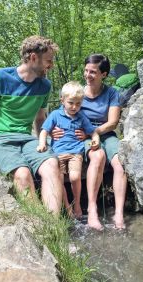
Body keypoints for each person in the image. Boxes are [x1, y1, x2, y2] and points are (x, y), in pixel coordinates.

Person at [0, 35, 63, 214]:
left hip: (27, 139)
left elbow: (40, 119)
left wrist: (45, 140)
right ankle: (42, 227)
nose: (51, 65)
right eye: (48, 61)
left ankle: (55, 226)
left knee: (52, 165)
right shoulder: (0, 77)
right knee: (22, 174)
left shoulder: (44, 85)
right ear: (34, 58)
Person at [53, 54, 128, 230]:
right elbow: (61, 114)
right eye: (86, 70)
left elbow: (113, 122)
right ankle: (92, 209)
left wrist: (94, 131)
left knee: (120, 163)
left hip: (105, 133)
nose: (88, 75)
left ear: (104, 74)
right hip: (82, 136)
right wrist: (54, 130)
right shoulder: (77, 92)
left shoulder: (111, 93)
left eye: (93, 72)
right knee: (98, 155)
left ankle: (118, 213)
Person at [37, 81, 100, 218]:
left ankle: (77, 203)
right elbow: (43, 131)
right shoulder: (55, 115)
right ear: (62, 100)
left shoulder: (81, 117)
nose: (74, 107)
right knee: (58, 178)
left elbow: (92, 132)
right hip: (58, 153)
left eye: (78, 104)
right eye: (71, 103)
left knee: (75, 176)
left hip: (75, 153)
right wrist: (42, 143)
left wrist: (95, 140)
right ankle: (68, 207)